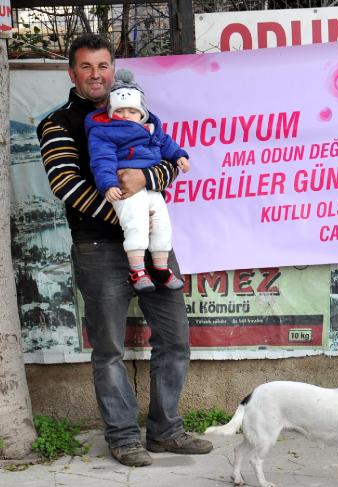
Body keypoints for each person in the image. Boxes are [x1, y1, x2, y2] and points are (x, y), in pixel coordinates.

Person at [37, 34, 212, 467]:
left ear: (114, 70)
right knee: (109, 348)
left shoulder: (139, 112)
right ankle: (123, 437)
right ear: (72, 73)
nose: (96, 75)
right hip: (98, 246)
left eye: (103, 66)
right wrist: (130, 219)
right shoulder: (58, 123)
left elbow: (168, 162)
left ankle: (166, 431)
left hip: (154, 246)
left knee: (174, 339)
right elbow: (66, 185)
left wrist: (145, 180)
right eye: (86, 67)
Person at [85, 68, 189, 293]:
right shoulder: (104, 131)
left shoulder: (151, 128)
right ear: (111, 111)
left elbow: (166, 144)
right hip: (126, 188)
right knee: (136, 225)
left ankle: (161, 268)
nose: (125, 115)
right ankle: (138, 271)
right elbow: (102, 160)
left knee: (161, 223)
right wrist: (108, 184)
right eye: (119, 110)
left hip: (151, 187)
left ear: (141, 112)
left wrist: (179, 156)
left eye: (132, 110)